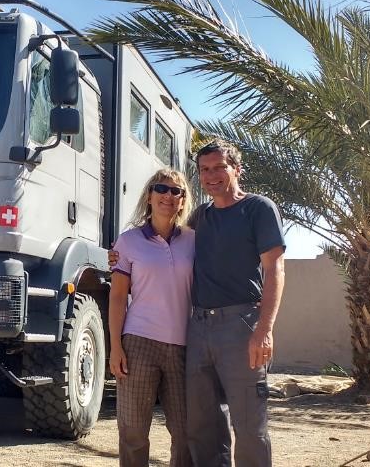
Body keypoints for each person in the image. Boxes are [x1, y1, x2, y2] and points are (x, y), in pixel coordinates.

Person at [110, 139, 285, 466]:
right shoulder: (200, 219)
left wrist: (265, 328)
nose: (212, 175)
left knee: (248, 425)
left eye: (220, 167)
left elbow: (275, 267)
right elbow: (139, 265)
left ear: (237, 169)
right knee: (203, 425)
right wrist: (117, 255)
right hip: (198, 330)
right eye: (205, 170)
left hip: (240, 326)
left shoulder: (257, 209)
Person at [109, 168, 194, 467]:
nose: (168, 196)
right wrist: (116, 347)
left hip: (184, 346)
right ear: (149, 195)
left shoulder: (194, 241)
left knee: (185, 433)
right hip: (139, 343)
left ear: (183, 201)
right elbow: (118, 297)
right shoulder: (128, 242)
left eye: (176, 191)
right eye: (161, 188)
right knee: (133, 431)